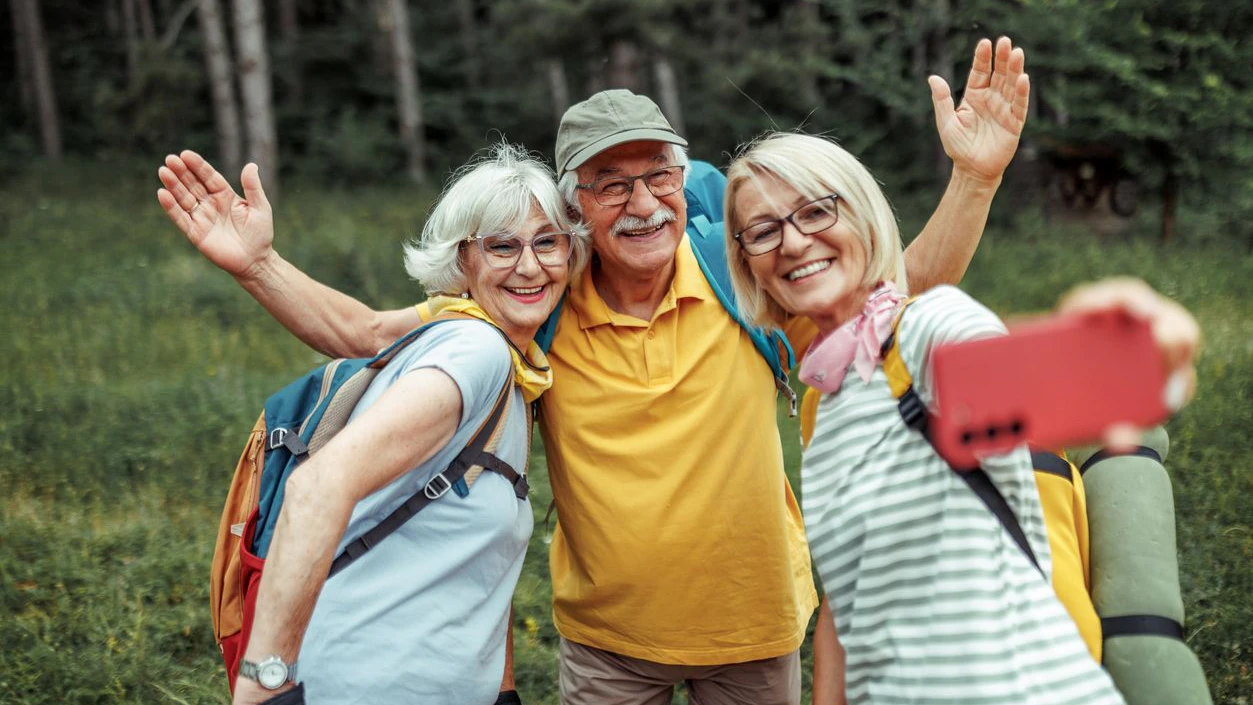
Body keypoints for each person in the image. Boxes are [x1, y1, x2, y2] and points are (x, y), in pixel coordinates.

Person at [163, 37, 1030, 704]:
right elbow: (359, 329)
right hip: (607, 647)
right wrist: (254, 264)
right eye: (610, 185)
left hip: (758, 628)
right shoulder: (535, 304)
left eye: (657, 175)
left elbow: (890, 294)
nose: (642, 202)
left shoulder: (739, 276)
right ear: (574, 203)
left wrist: (973, 179)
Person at [722, 131, 1199, 704]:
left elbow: (1046, 386)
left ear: (864, 215)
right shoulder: (829, 410)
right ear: (747, 262)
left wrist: (1130, 357)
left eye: (816, 211)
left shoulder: (924, 329)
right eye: (764, 230)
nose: (794, 243)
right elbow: (851, 611)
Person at [157, 143, 590, 704]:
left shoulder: (499, 355)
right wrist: (265, 684)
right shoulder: (475, 349)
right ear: (463, 262)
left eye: (547, 242)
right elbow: (317, 486)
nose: (529, 266)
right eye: (502, 246)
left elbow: (367, 332)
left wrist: (502, 690)